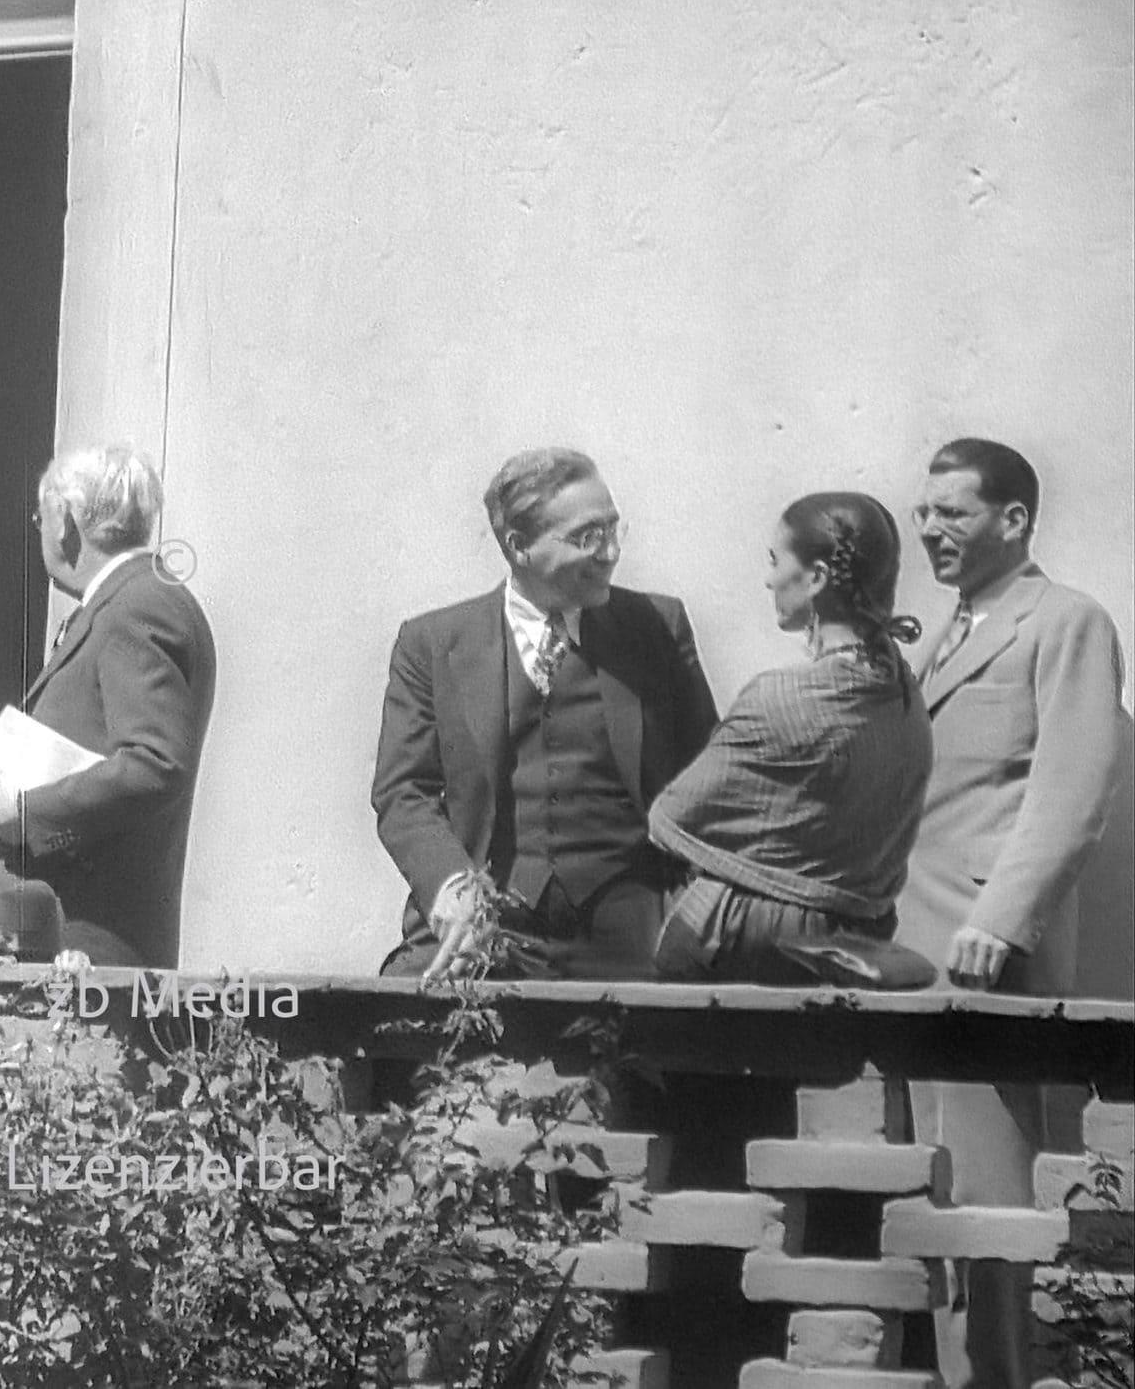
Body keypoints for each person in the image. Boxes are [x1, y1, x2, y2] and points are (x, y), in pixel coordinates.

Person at [899, 438, 1130, 1389]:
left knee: (986, 1219)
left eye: (951, 512)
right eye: (924, 512)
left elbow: (1075, 787)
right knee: (917, 1209)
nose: (928, 529)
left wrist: (1004, 919)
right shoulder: (942, 631)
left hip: (982, 963)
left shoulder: (1065, 620)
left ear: (1015, 519)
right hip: (904, 961)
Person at [373, 447, 718, 980]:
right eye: (586, 537)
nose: (609, 553)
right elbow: (403, 793)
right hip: (485, 930)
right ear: (519, 547)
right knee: (397, 1034)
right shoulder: (432, 644)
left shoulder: (658, 627)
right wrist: (450, 886)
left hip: (631, 937)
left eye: (613, 529)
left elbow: (709, 781)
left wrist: (692, 905)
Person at [649, 493, 932, 983]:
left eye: (776, 561)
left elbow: (670, 819)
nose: (768, 578)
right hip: (858, 945)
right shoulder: (904, 691)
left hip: (744, 943)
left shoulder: (780, 698)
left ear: (818, 577)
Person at [0, 445, 216, 968]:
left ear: (64, 519)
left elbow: (155, 765)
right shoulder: (130, 601)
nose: (41, 529)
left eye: (42, 516)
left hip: (93, 946)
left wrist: (29, 811)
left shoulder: (137, 605)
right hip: (78, 939)